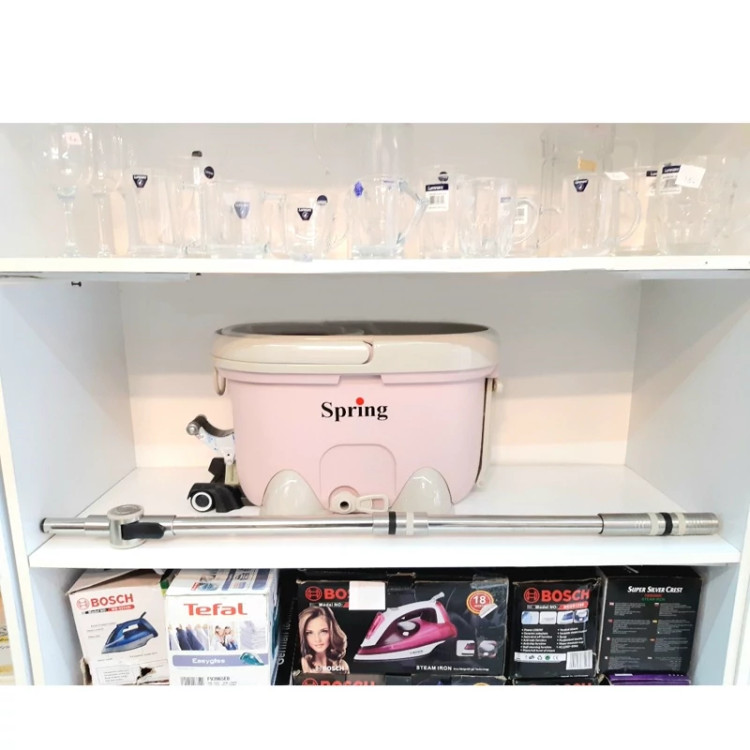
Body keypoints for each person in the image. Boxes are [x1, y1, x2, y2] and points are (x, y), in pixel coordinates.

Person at [298, 606, 349, 674]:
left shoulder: (341, 665)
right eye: (309, 633)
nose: (317, 639)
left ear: (332, 632)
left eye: (323, 631)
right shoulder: (303, 664)